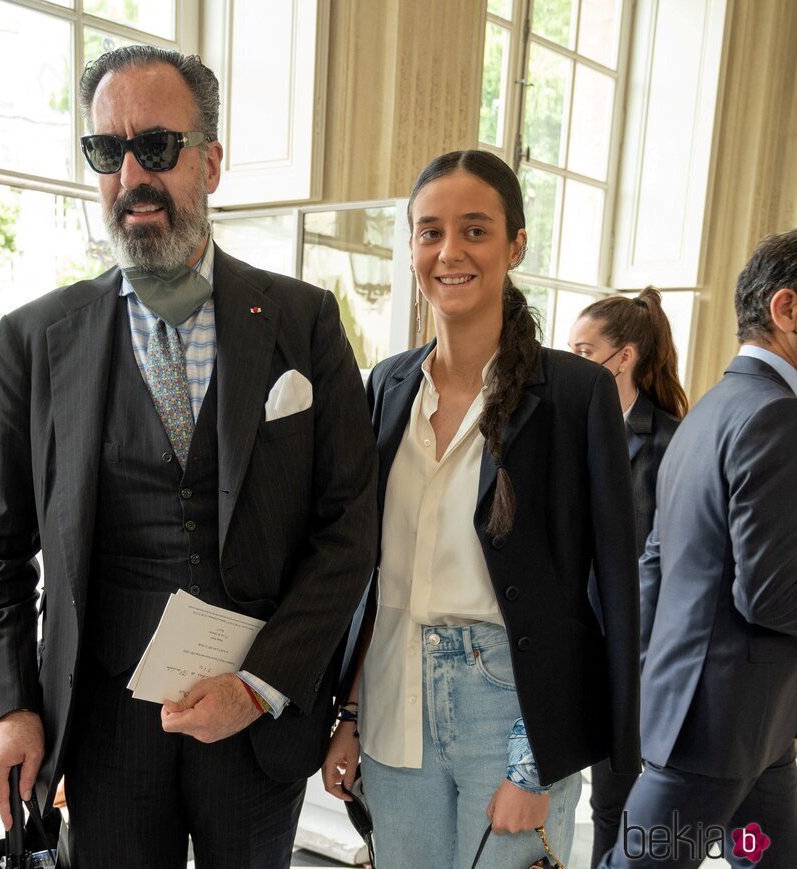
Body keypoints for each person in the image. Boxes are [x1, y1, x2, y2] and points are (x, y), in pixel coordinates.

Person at [0, 44, 377, 868]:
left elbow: (348, 528)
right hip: (105, 727)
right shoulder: (35, 339)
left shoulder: (303, 320)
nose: (131, 174)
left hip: (256, 720)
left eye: (157, 146)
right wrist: (8, 704)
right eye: (107, 152)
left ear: (211, 162)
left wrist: (259, 684)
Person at [322, 150, 641, 868]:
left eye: (474, 230)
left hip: (507, 705)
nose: (449, 251)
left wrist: (537, 761)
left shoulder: (574, 393)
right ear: (410, 248)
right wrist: (347, 712)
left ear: (516, 244)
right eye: (429, 231)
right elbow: (373, 576)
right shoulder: (388, 384)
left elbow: (601, 584)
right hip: (393, 699)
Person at [600, 230, 797, 868]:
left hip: (739, 729)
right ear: (787, 310)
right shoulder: (774, 415)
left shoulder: (715, 407)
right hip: (718, 734)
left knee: (770, 857)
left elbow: (657, 562)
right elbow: (769, 593)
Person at [568, 288, 688, 867]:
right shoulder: (564, 429)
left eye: (584, 349)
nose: (572, 360)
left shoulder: (670, 442)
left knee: (619, 803)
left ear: (625, 357)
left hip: (637, 654)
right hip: (567, 642)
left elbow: (672, 564)